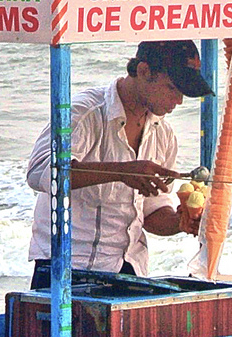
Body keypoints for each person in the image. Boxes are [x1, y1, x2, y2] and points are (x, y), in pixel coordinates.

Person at [25, 39, 212, 286]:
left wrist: (181, 221)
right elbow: (40, 172)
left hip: (129, 268)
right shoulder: (86, 113)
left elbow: (152, 211)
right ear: (143, 71)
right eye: (172, 88)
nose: (178, 101)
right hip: (66, 267)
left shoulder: (162, 134)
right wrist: (121, 172)